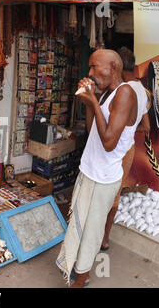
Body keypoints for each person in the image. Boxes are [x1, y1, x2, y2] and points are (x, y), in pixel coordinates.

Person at [56, 49, 143, 288]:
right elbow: (94, 130)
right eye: (90, 67)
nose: (91, 72)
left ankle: (80, 282)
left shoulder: (125, 93)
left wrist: (93, 100)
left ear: (113, 67)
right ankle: (78, 270)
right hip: (90, 170)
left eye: (95, 67)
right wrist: (90, 101)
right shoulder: (108, 93)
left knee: (91, 233)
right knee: (78, 225)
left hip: (104, 178)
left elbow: (108, 142)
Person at [101, 47, 151, 251]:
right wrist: (129, 131)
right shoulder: (142, 90)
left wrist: (121, 131)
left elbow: (109, 128)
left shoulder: (122, 91)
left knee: (104, 193)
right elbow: (146, 127)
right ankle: (105, 238)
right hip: (127, 149)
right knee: (115, 192)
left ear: (117, 67)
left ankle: (97, 236)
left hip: (114, 149)